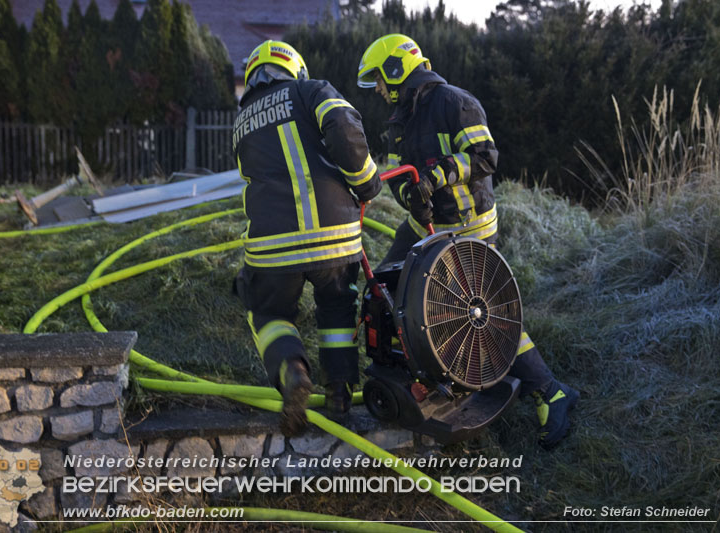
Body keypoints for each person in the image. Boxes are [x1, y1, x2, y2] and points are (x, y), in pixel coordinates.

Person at [356, 34, 578, 450]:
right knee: (385, 289)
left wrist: (436, 178)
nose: (380, 90)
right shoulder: (399, 120)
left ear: (394, 68)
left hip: (468, 224)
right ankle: (427, 374)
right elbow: (398, 174)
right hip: (424, 225)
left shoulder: (455, 102)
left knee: (479, 314)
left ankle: (551, 391)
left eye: (379, 80)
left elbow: (485, 157)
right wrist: (412, 199)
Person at [233, 40, 382, 437]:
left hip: (270, 244)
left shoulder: (241, 119)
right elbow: (345, 128)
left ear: (252, 76)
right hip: (334, 235)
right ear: (293, 68)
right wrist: (367, 181)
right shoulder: (311, 89)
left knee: (268, 314)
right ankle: (339, 392)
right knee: (336, 308)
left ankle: (293, 371)